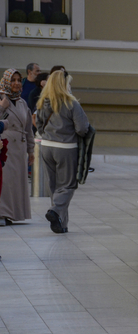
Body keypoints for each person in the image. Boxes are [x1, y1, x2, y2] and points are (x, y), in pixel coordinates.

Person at [36, 70, 90, 234]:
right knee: (67, 186)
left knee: (54, 186)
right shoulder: (72, 104)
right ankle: (55, 211)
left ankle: (61, 223)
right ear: (64, 84)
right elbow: (82, 128)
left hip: (46, 146)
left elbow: (38, 124)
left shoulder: (43, 103)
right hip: (65, 147)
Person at [0, 69, 35, 226]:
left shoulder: (22, 102)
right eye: (12, 80)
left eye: (18, 80)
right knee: (5, 181)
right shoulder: (1, 98)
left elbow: (28, 129)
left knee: (16, 182)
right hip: (4, 146)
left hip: (20, 148)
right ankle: (2, 213)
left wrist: (31, 150)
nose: (16, 83)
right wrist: (1, 107)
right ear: (6, 81)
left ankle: (14, 214)